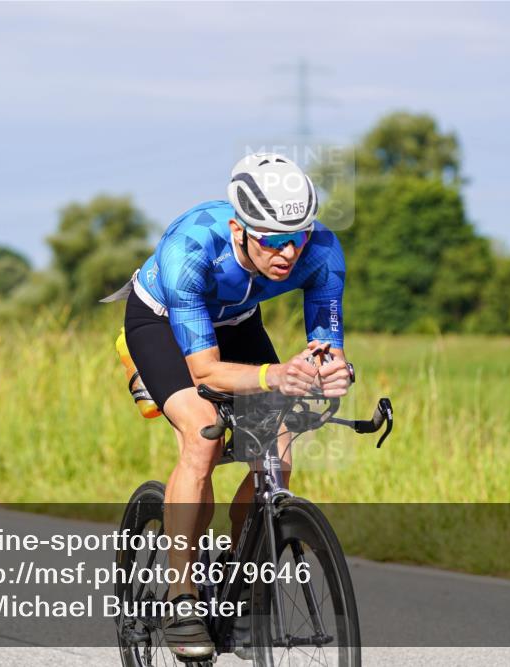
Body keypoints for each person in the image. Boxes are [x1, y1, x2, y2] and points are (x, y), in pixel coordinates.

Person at [117, 153, 353, 659]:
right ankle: (181, 594)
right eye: (271, 239)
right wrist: (274, 376)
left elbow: (327, 346)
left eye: (298, 237)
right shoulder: (191, 249)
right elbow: (205, 372)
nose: (287, 252)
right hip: (162, 322)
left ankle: (241, 583)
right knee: (202, 433)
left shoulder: (322, 252)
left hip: (238, 322)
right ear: (238, 229)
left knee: (277, 454)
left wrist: (334, 370)